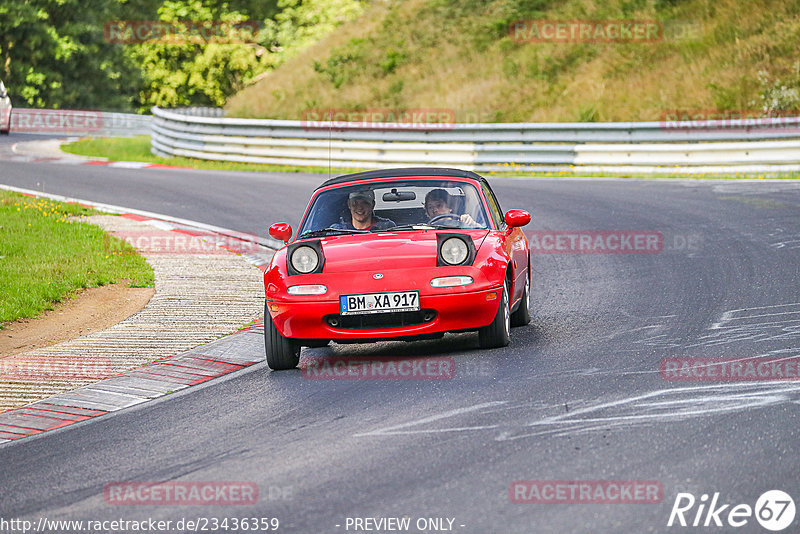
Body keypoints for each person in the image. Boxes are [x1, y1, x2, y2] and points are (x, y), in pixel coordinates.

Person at [331, 189, 396, 230]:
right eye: (355, 203)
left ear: (372, 205)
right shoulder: (338, 230)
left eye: (365, 203)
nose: (359, 208)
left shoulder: (387, 228)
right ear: (349, 204)